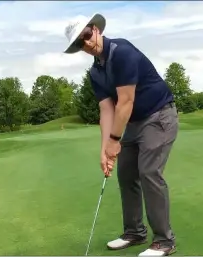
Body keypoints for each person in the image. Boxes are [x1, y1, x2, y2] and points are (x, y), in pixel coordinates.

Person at [63, 13, 179, 256]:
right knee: (126, 174)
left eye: (86, 35)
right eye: (79, 43)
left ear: (95, 29)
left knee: (148, 173)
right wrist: (105, 149)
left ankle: (164, 241)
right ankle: (135, 232)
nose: (86, 43)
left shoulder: (122, 52)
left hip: (159, 116)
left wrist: (115, 140)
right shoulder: (95, 73)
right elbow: (107, 109)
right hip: (134, 123)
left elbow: (125, 102)